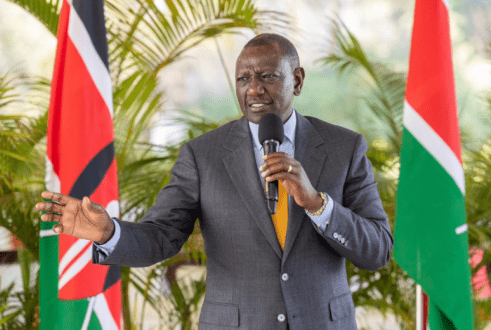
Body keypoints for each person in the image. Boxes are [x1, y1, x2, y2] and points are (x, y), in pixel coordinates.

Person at [36, 33, 393, 330]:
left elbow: (377, 250)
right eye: (243, 79)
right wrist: (108, 233)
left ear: (297, 80)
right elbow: (163, 235)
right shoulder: (203, 155)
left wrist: (318, 203)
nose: (254, 89)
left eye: (268, 76)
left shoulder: (344, 147)